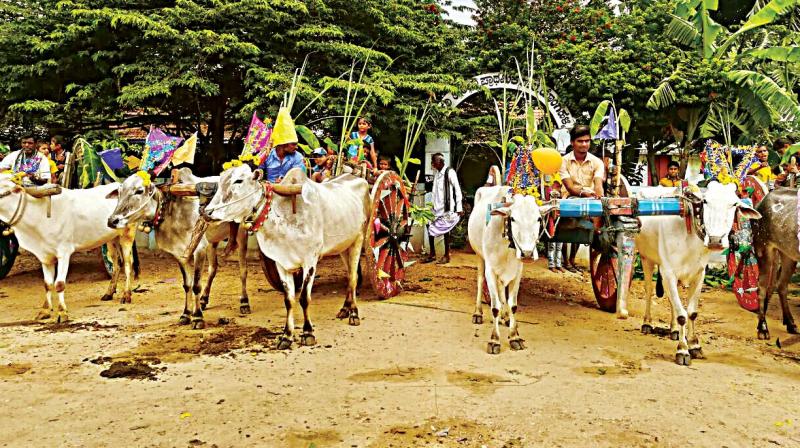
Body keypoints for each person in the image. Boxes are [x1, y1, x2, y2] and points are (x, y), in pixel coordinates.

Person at [559, 125, 604, 272]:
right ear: (572, 142)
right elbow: (570, 188)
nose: (584, 144)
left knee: (593, 218)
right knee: (568, 219)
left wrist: (599, 197)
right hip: (569, 199)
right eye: (580, 141)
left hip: (589, 200)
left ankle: (572, 259)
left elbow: (598, 184)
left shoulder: (597, 162)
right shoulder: (563, 161)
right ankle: (566, 261)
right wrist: (584, 193)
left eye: (587, 141)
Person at [422, 153, 463, 265]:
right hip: (436, 208)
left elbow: (457, 189)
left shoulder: (450, 172)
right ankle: (432, 254)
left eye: (434, 162)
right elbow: (435, 192)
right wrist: (431, 206)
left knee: (446, 231)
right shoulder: (437, 174)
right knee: (429, 226)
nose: (432, 164)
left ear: (440, 162)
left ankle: (447, 255)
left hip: (447, 208)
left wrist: (459, 207)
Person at [258, 107, 306, 182]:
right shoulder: (267, 154)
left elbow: (299, 176)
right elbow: (258, 167)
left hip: (290, 190)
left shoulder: (298, 157)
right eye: (293, 144)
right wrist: (259, 173)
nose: (296, 147)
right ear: (283, 144)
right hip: (269, 189)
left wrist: (285, 181)